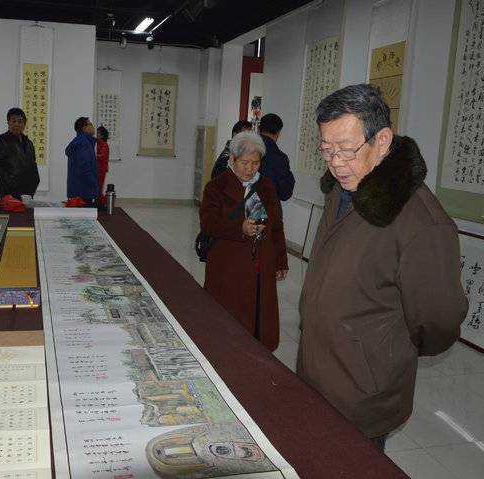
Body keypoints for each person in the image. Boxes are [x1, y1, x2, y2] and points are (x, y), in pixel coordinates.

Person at [297, 84, 467, 450]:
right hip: (317, 374)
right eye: (326, 149)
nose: (335, 162)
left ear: (383, 140)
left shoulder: (421, 223)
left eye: (346, 148)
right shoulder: (341, 190)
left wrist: (380, 352)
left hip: (361, 392)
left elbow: (439, 321)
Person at [200, 131, 288, 352]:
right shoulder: (216, 187)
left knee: (259, 313)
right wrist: (239, 227)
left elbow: (277, 226)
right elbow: (208, 224)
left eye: (255, 163)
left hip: (261, 264)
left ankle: (256, 352)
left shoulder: (266, 186)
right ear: (233, 159)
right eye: (245, 163)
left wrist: (281, 260)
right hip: (228, 266)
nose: (250, 169)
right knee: (229, 315)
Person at [0, 107, 40, 201]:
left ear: (24, 124)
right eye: (13, 121)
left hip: (27, 195)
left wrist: (34, 184)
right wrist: (10, 180)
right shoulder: (0, 141)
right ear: (8, 122)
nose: (16, 124)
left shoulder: (29, 143)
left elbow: (33, 166)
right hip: (8, 195)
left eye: (20, 121)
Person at [258, 113, 295, 202]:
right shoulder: (279, 158)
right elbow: (285, 193)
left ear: (259, 129)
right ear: (278, 133)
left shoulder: (244, 147)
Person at [66, 117, 98, 204]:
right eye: (90, 124)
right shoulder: (83, 143)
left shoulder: (81, 141)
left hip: (79, 190)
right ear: (84, 128)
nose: (93, 127)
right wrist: (93, 183)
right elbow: (84, 166)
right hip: (84, 190)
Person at [96, 125, 110, 206]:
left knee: (99, 187)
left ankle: (102, 203)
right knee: (97, 187)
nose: (96, 135)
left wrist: (92, 156)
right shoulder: (98, 143)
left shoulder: (104, 144)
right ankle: (100, 202)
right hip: (98, 168)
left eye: (98, 133)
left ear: (102, 135)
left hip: (101, 169)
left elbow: (102, 156)